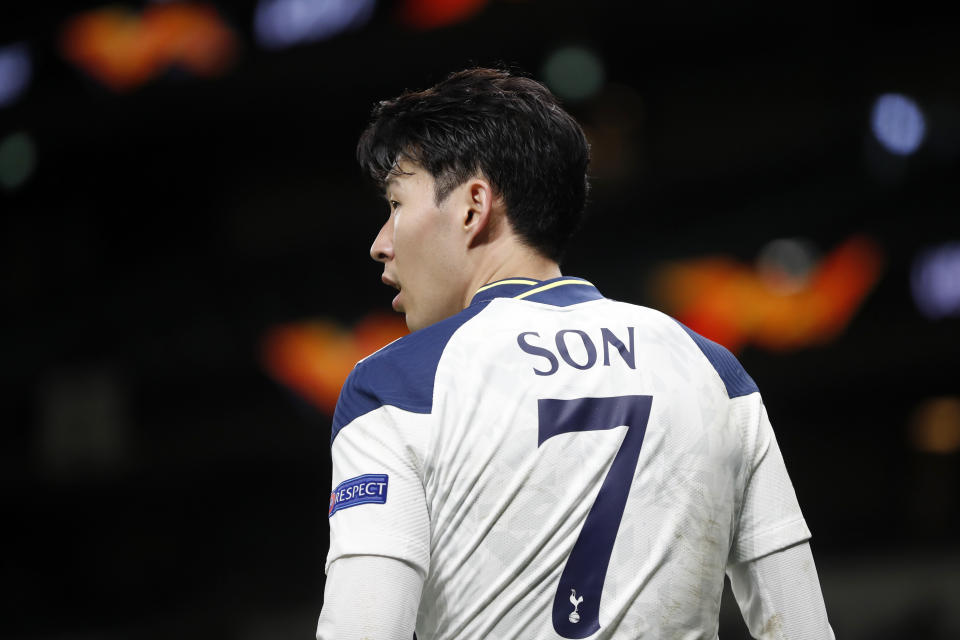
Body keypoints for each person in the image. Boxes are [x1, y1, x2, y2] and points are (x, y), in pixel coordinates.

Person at [316, 68, 834, 639]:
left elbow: (362, 628)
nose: (380, 243)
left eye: (395, 204)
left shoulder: (396, 385)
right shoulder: (714, 369)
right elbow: (801, 625)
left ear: (473, 206)